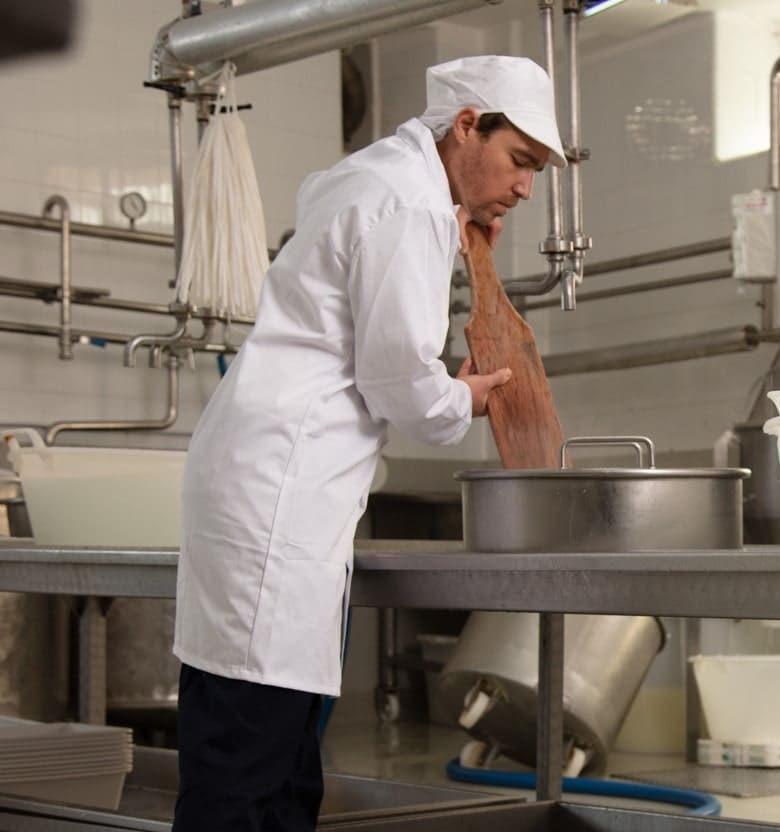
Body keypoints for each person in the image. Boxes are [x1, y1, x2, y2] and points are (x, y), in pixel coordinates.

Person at [172, 55, 563, 830]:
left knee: (279, 766)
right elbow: (402, 390)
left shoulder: (372, 177)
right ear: (464, 127)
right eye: (519, 161)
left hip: (268, 476)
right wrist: (468, 397)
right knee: (247, 765)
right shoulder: (410, 206)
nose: (523, 189)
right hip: (280, 489)